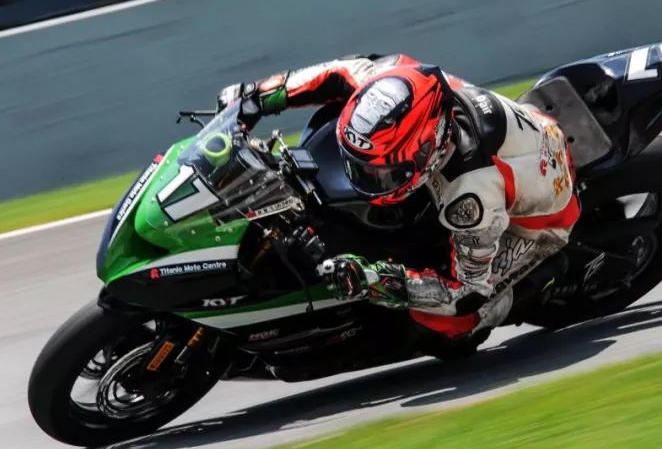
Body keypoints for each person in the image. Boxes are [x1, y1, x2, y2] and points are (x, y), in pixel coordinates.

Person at [218, 54, 580, 340]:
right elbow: (335, 72)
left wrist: (374, 280)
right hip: (510, 149)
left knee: (447, 322)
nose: (367, 180)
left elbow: (465, 292)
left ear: (429, 151)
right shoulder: (393, 77)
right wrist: (255, 97)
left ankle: (531, 289)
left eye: (384, 174)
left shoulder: (470, 196)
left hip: (537, 219)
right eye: (362, 168)